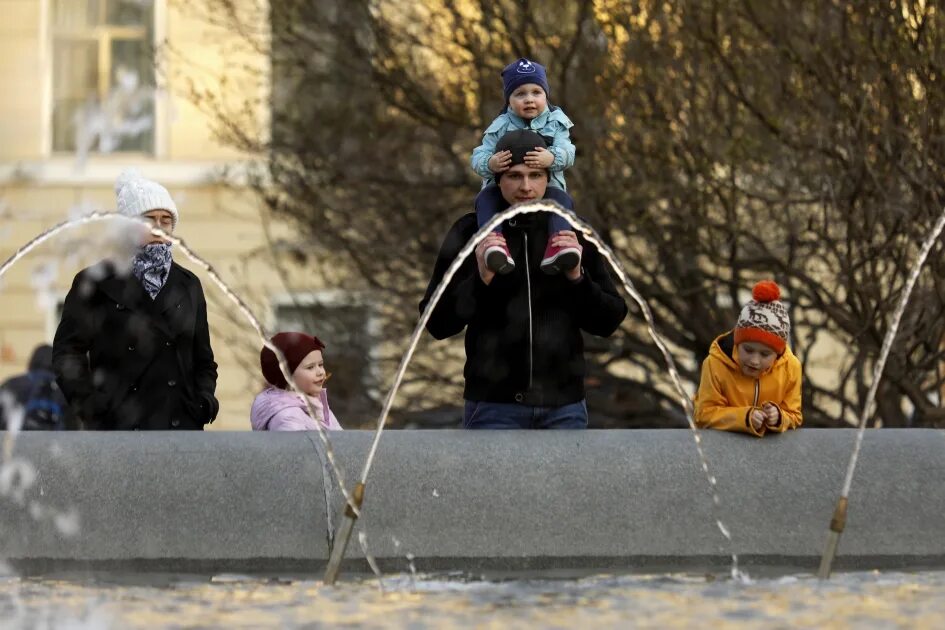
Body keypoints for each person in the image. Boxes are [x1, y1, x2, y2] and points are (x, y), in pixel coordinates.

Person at [421, 129, 628, 429]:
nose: (526, 186)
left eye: (535, 175)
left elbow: (609, 320)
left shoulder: (572, 231)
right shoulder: (470, 232)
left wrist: (576, 277)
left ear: (549, 178)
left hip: (564, 408)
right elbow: (437, 323)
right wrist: (480, 279)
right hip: (493, 407)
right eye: (515, 176)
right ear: (497, 179)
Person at [52, 169, 219, 430]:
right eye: (148, 219)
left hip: (180, 429)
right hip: (119, 429)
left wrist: (204, 401)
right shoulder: (96, 282)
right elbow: (67, 354)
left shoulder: (188, 284)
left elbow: (203, 359)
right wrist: (91, 406)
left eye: (165, 220)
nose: (158, 227)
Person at [470, 58, 579, 276]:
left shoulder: (556, 122)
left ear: (546, 95)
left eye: (536, 92)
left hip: (549, 187)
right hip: (502, 190)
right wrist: (490, 163)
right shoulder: (499, 126)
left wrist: (552, 158)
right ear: (509, 100)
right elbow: (478, 154)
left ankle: (559, 246)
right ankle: (494, 244)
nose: (529, 99)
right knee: (485, 200)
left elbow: (569, 151)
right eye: (520, 94)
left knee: (563, 202)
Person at [693, 280, 803, 436]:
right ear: (738, 343)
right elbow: (703, 415)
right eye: (748, 350)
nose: (754, 360)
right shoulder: (715, 364)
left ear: (777, 353)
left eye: (765, 354)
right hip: (722, 449)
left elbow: (795, 415)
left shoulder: (791, 367)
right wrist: (744, 417)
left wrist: (779, 417)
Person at [250, 332, 343, 431]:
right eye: (310, 367)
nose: (320, 372)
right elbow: (295, 446)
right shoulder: (288, 416)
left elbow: (343, 441)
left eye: (320, 365)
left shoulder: (318, 406)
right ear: (287, 375)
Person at [0, 344, 74, 431]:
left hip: (17, 441)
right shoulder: (66, 390)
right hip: (54, 442)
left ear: (32, 361)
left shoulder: (13, 384)